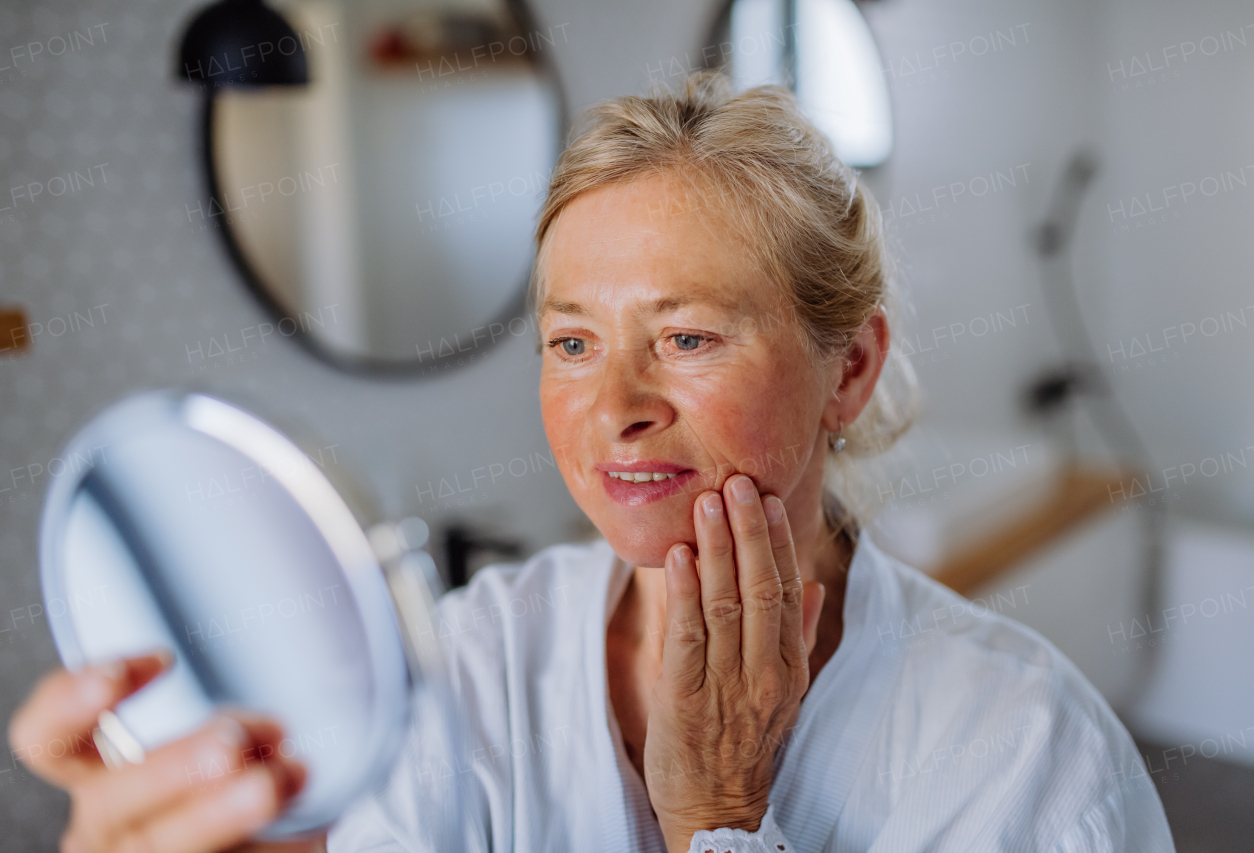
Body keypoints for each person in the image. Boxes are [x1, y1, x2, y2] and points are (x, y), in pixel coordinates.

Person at [9, 71, 1174, 853]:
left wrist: (716, 818)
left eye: (686, 337)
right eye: (571, 342)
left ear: (850, 369)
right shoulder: (465, 669)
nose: (612, 407)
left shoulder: (1026, 752)